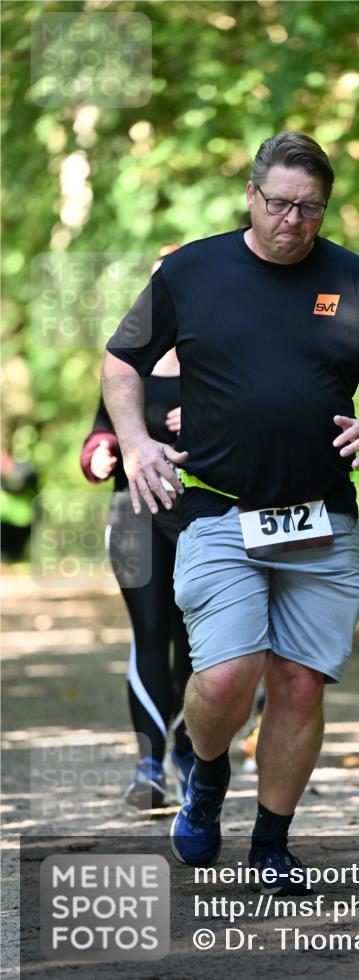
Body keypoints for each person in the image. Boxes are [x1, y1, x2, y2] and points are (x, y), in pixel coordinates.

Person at [101, 131, 359, 890]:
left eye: (309, 208)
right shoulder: (191, 271)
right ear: (251, 195)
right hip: (218, 508)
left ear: (325, 208)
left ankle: (272, 842)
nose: (292, 220)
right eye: (278, 203)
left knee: (300, 683)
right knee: (226, 676)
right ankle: (206, 774)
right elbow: (121, 361)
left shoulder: (354, 279)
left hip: (321, 516)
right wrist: (136, 442)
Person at [81, 246, 195, 809]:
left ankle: (190, 756)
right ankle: (148, 766)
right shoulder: (126, 358)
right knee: (150, 632)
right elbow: (100, 430)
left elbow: (263, 426)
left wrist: (208, 418)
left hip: (203, 515)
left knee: (198, 643)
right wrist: (99, 454)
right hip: (134, 512)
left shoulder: (218, 355)